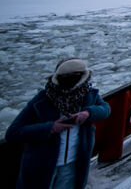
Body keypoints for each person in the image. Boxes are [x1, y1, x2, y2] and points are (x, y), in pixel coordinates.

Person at [5, 57, 110, 189]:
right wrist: (51, 128)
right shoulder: (42, 100)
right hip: (42, 166)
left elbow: (105, 109)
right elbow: (13, 133)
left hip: (73, 165)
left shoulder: (88, 95)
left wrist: (88, 113)